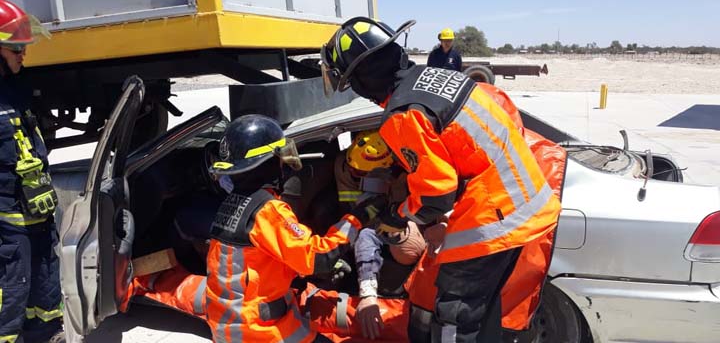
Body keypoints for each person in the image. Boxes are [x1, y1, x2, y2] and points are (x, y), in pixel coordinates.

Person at [320, 17, 561, 342]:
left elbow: (437, 193)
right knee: (484, 312)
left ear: (363, 77)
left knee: (455, 318)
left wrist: (398, 217)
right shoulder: (440, 78)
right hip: (524, 205)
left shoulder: (404, 114)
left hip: (492, 217)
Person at [203, 114, 387, 342]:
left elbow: (261, 262)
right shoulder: (268, 211)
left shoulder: (232, 203)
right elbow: (319, 256)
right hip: (260, 332)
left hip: (230, 327)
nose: (283, 165)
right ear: (266, 164)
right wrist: (357, 218)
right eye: (278, 158)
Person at [0, 0, 64, 343]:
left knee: (44, 276)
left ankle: (46, 332)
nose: (23, 55)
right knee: (11, 284)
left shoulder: (16, 92)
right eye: (16, 48)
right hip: (6, 219)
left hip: (35, 212)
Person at [335, 130, 426, 340]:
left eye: (362, 174)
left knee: (381, 238)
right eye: (355, 172)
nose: (355, 175)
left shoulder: (412, 175)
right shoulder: (348, 165)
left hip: (410, 224)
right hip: (379, 219)